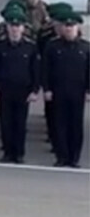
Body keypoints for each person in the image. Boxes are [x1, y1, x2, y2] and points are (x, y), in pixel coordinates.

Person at [0, 6, 39, 164]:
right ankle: (8, 152)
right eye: (12, 26)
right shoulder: (0, 46)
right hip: (4, 90)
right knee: (6, 122)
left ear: (23, 28)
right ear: (7, 27)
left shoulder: (30, 47)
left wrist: (35, 90)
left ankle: (19, 153)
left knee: (20, 123)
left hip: (23, 90)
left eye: (18, 26)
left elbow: (36, 70)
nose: (15, 29)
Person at [42, 9, 90, 168]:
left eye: (72, 26)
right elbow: (46, 69)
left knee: (76, 126)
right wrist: (47, 89)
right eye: (66, 26)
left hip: (77, 92)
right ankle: (61, 157)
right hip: (58, 91)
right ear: (62, 28)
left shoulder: (85, 47)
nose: (69, 29)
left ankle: (74, 157)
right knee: (60, 125)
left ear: (77, 28)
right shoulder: (53, 46)